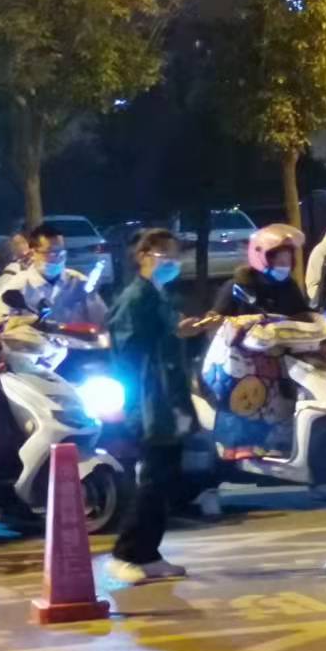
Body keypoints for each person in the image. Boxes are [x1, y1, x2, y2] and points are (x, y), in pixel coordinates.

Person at [105, 229, 216, 585]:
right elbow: (126, 353)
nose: (172, 262)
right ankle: (125, 553)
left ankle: (149, 554)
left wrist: (184, 331)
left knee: (167, 479)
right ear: (143, 256)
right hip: (149, 402)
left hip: (169, 400)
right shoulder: (135, 299)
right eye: (164, 255)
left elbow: (168, 339)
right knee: (152, 480)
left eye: (175, 255)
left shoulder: (160, 295)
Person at [0, 223, 107, 326]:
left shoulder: (78, 282)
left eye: (61, 252)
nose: (58, 258)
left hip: (76, 345)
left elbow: (103, 320)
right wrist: (22, 322)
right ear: (33, 253)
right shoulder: (18, 285)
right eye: (51, 252)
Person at [214, 225, 311, 317]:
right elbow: (216, 321)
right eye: (278, 260)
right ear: (259, 257)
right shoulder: (237, 288)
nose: (284, 266)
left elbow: (304, 315)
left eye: (287, 261)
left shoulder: (289, 286)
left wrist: (318, 318)